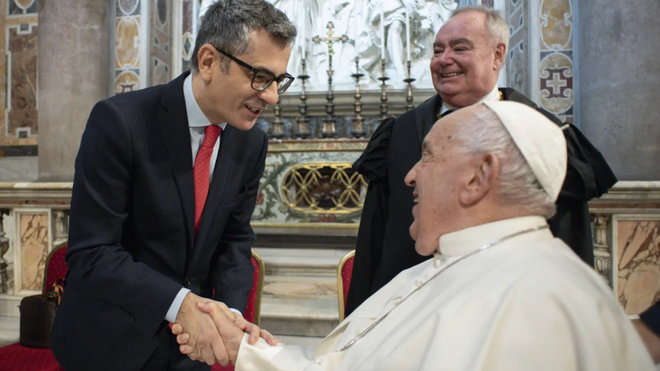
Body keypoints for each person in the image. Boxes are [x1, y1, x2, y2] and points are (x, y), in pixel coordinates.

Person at [173, 101, 654, 371]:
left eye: (428, 157)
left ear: (477, 177)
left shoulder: (529, 299)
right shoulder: (476, 262)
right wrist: (255, 350)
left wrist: (243, 353)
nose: (409, 176)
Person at [50, 1, 295, 370]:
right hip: (110, 342)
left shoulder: (250, 141)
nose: (272, 96)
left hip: (191, 349)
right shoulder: (121, 122)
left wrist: (225, 316)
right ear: (209, 61)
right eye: (260, 77)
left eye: (279, 81)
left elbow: (234, 240)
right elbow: (93, 252)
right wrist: (179, 303)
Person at [344, 5, 617, 316]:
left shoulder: (541, 135)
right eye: (437, 50)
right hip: (404, 315)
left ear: (498, 55)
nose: (444, 59)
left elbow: (568, 241)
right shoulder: (400, 133)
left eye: (460, 48)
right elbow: (374, 241)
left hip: (508, 316)